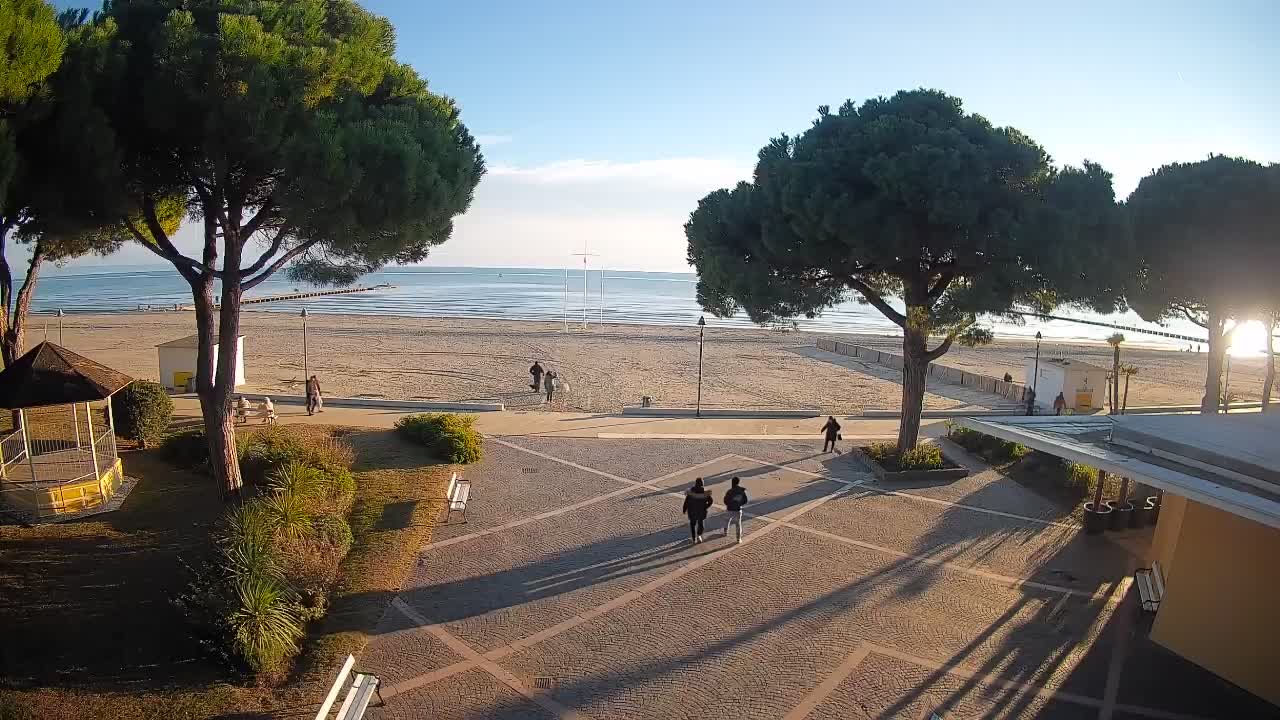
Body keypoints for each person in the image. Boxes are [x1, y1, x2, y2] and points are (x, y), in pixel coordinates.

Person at [682, 477, 714, 543]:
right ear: (702, 484)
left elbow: (686, 502)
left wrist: (684, 509)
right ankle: (699, 536)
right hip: (701, 511)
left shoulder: (691, 492)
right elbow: (711, 501)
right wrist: (706, 506)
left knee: (692, 525)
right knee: (700, 524)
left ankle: (694, 539)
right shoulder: (705, 493)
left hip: (692, 511)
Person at [722, 476, 749, 543]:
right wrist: (739, 504)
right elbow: (745, 500)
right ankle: (738, 538)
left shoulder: (729, 491)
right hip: (738, 509)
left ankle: (725, 532)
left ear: (732, 483)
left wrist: (729, 504)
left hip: (730, 509)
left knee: (727, 520)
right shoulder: (741, 491)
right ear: (738, 482)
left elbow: (725, 500)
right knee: (738, 524)